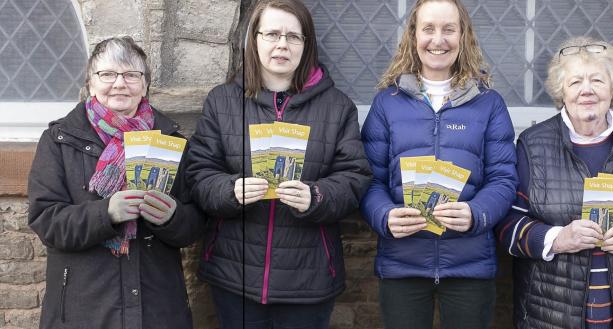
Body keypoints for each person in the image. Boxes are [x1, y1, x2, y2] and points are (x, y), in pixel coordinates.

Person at [185, 0, 372, 327]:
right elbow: (199, 172)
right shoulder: (223, 100)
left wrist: (316, 196)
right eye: (271, 34)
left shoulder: (337, 107)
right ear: (254, 39)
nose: (282, 44)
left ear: (307, 44)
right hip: (235, 273)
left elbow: (354, 177)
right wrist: (231, 190)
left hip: (308, 277)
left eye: (293, 36)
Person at [497, 36, 613, 328]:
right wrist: (557, 239)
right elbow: (507, 224)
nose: (586, 90)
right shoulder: (533, 146)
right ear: (562, 92)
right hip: (550, 317)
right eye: (575, 83)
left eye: (597, 80)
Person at [27, 36, 204, 329]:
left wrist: (172, 217)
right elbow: (46, 221)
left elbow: (195, 225)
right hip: (84, 308)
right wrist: (105, 213)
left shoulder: (171, 141)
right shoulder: (59, 141)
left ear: (145, 84)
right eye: (107, 74)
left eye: (131, 75)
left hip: (156, 308)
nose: (120, 83)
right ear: (90, 82)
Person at [359, 0, 517, 327]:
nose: (438, 39)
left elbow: (503, 179)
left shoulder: (489, 103)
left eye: (449, 29)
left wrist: (477, 213)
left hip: (469, 266)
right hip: (402, 264)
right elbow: (368, 181)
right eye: (428, 28)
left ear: (463, 36)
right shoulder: (386, 103)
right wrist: (385, 216)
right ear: (413, 35)